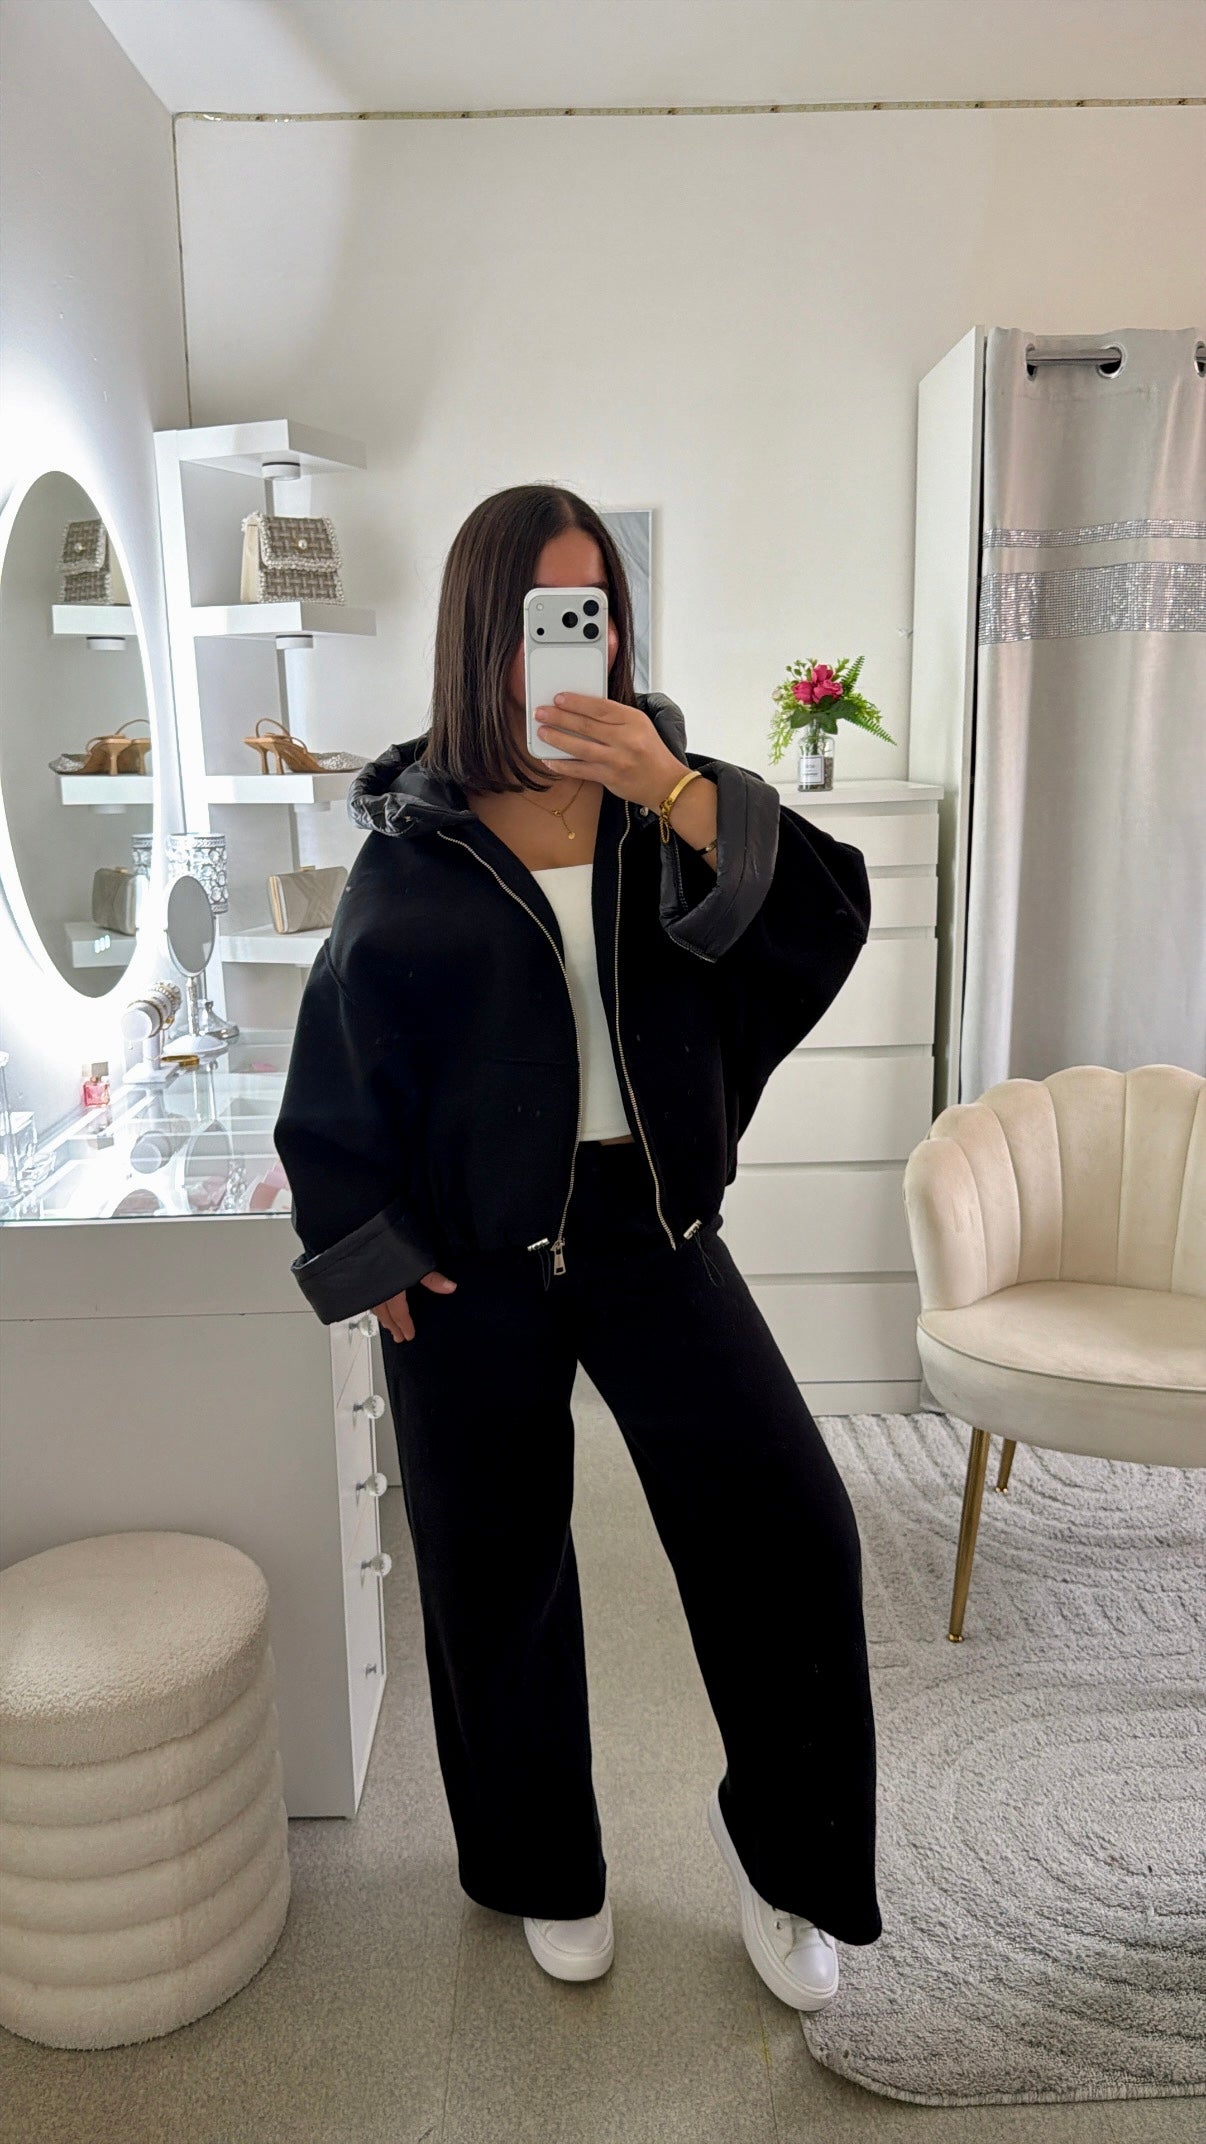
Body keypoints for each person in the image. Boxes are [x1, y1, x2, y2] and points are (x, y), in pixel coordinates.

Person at [273, 484, 883, 2010]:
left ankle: (791, 1866)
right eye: (547, 612)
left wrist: (672, 787)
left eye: (596, 609)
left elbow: (818, 919)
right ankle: (542, 1863)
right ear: (484, 630)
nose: (580, 642)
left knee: (790, 1538)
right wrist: (370, 1249)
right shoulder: (412, 842)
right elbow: (339, 1056)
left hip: (652, 1232)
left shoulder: (667, 804)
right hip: (471, 1262)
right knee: (493, 1575)